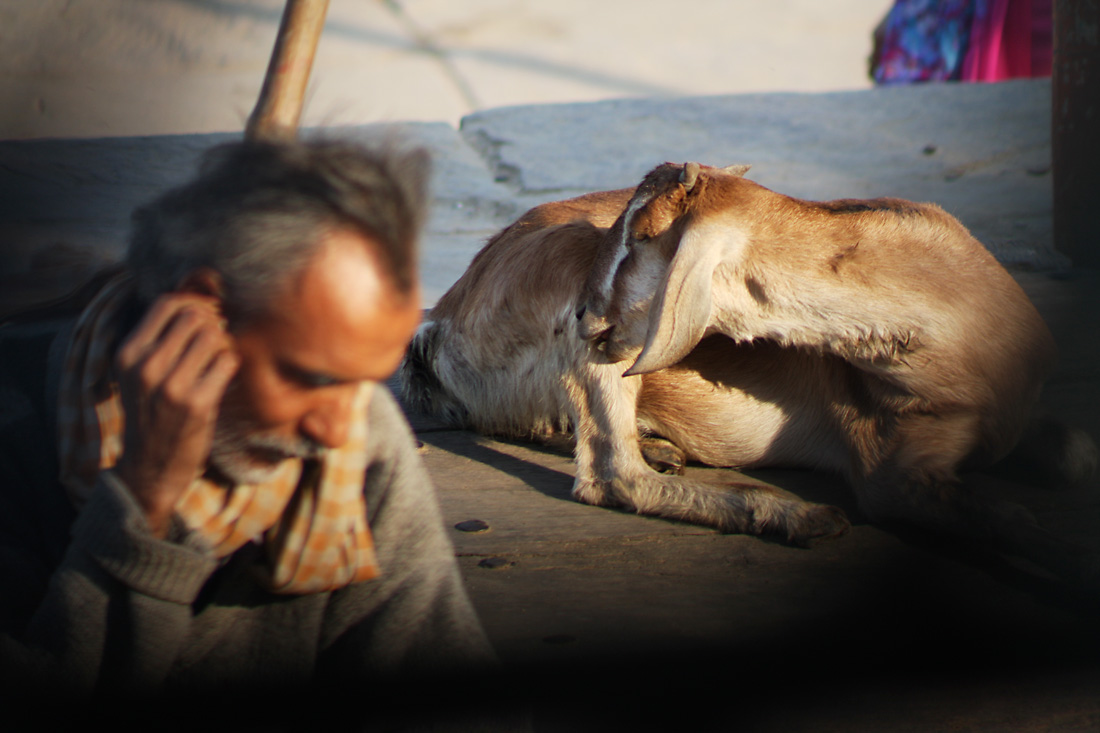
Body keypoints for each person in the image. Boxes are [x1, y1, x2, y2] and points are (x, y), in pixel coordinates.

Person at [0, 138, 499, 707]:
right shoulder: (18, 430)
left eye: (365, 381)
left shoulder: (362, 434)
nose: (337, 431)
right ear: (198, 312)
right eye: (313, 380)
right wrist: (144, 503)